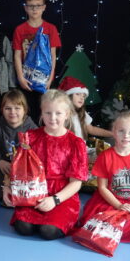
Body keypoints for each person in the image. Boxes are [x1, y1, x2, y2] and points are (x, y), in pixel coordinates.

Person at [75, 111, 130, 245]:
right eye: (121, 131)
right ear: (114, 132)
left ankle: (120, 230)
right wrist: (118, 205)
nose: (126, 136)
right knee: (98, 223)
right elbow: (102, 187)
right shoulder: (105, 156)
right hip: (110, 201)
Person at [11, 90, 87, 240]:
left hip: (63, 195)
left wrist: (55, 200)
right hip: (33, 192)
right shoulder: (31, 137)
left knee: (48, 231)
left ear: (67, 114)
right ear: (42, 113)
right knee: (23, 227)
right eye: (48, 113)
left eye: (58, 113)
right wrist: (8, 187)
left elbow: (76, 183)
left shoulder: (76, 143)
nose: (52, 118)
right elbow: (18, 168)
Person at [13, 0, 62, 123]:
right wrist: (21, 78)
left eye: (38, 5)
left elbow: (53, 55)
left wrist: (50, 78)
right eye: (31, 6)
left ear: (44, 7)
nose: (34, 9)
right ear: (25, 8)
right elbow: (17, 55)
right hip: (27, 79)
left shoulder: (50, 28)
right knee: (27, 113)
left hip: (44, 79)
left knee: (46, 113)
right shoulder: (20, 29)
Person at [0, 90, 38, 201]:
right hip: (3, 170)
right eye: (8, 108)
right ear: (2, 110)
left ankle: (20, 193)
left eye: (17, 108)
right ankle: (4, 192)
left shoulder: (33, 130)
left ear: (25, 110)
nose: (12, 112)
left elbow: (38, 155)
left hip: (25, 171)